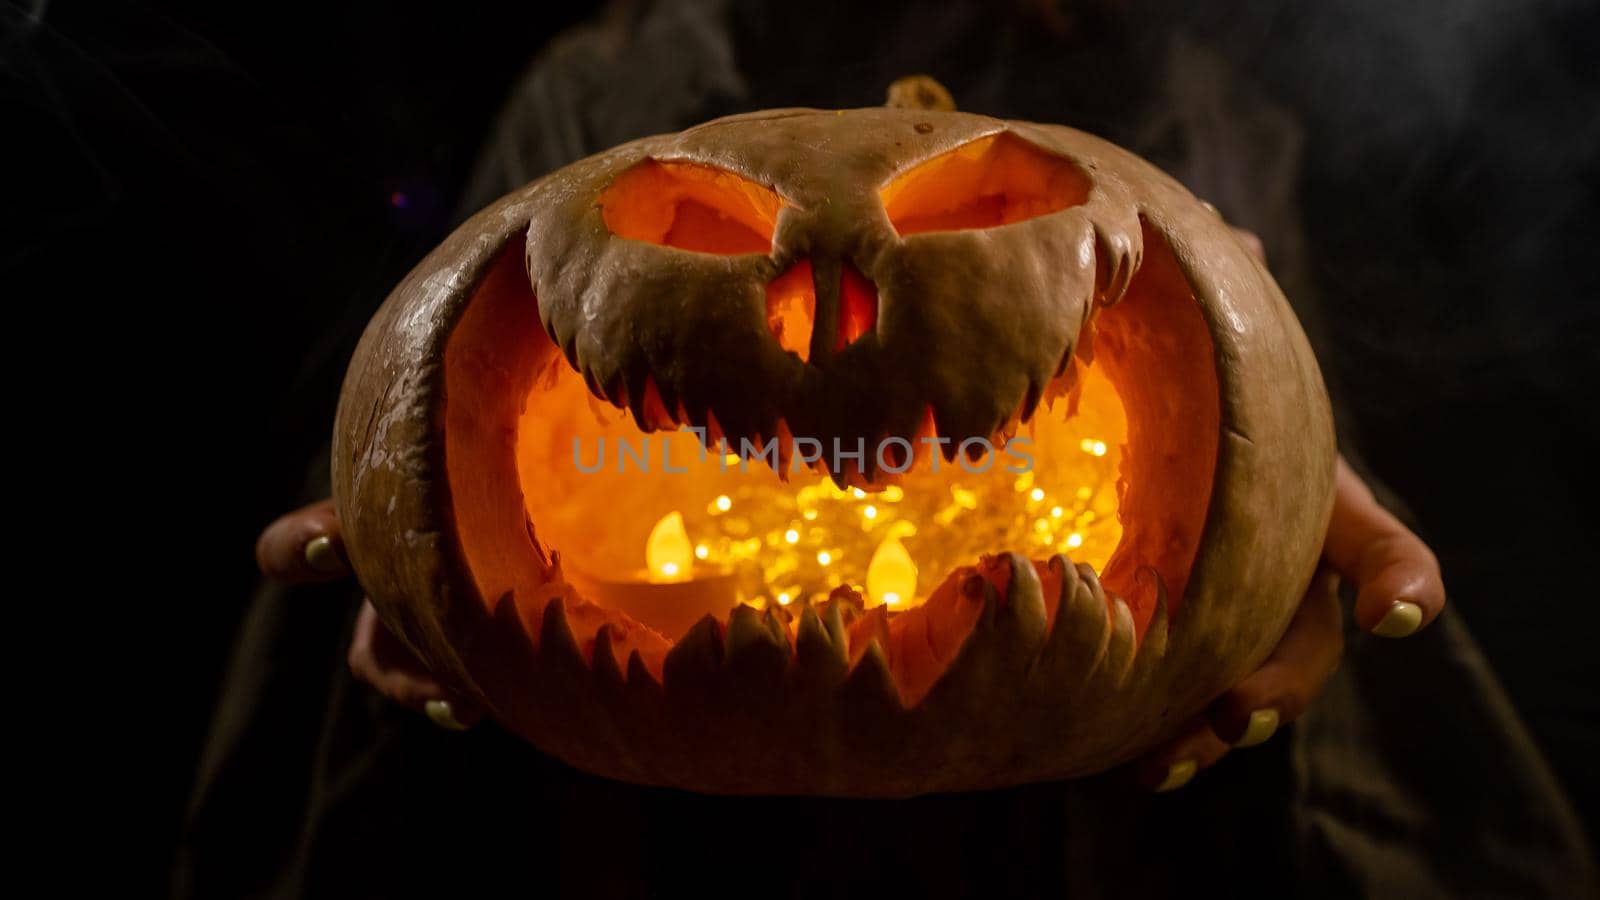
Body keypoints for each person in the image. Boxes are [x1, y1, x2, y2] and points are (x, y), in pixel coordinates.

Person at [180, 2, 1597, 896]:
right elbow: (465, 381)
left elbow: (1252, 391)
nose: (822, 324)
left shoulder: (1172, 87)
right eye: (710, 226)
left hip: (1084, 825)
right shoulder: (607, 79)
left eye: (974, 222)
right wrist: (410, 526)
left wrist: (1283, 504)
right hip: (626, 833)